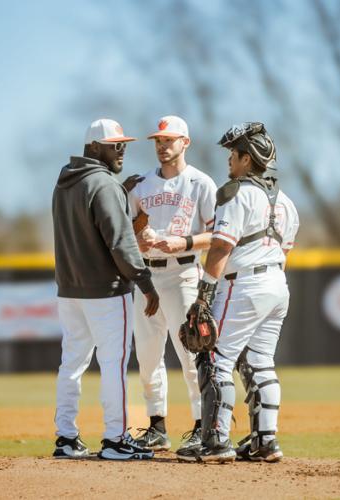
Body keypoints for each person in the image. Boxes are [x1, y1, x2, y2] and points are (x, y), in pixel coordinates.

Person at [176, 122, 299, 463]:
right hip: (277, 285)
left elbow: (219, 249)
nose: (229, 159)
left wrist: (203, 296)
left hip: (244, 283)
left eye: (233, 153)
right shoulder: (287, 202)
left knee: (214, 358)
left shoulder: (235, 192)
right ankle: (265, 441)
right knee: (260, 363)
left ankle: (215, 442)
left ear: (247, 159)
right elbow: (284, 252)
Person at [52, 118, 159, 460]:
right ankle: (115, 440)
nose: (122, 149)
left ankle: (66, 437)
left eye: (124, 143)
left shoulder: (64, 183)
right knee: (113, 364)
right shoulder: (105, 185)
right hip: (107, 291)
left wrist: (119, 196)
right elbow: (120, 242)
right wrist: (145, 281)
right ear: (95, 147)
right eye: (115, 144)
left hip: (70, 290)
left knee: (71, 364)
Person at [126, 116, 217, 452]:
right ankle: (156, 426)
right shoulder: (140, 185)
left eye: (169, 140)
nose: (162, 146)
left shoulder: (201, 183)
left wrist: (185, 243)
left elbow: (217, 235)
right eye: (158, 141)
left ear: (185, 143)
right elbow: (124, 231)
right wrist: (138, 237)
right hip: (147, 276)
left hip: (183, 273)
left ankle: (200, 425)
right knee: (148, 356)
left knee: (191, 353)